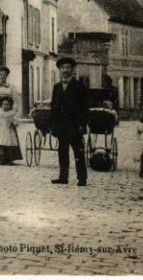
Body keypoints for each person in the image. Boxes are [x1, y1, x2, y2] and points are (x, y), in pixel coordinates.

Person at [50, 57, 89, 187]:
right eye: (63, 68)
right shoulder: (57, 87)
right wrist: (53, 125)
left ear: (72, 70)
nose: (65, 70)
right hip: (61, 125)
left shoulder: (79, 86)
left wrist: (82, 124)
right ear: (59, 70)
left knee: (78, 152)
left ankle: (82, 178)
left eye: (68, 68)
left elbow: (84, 107)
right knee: (62, 151)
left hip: (75, 125)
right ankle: (63, 177)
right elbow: (54, 108)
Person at [0, 97, 22, 165]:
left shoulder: (11, 114)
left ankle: (10, 160)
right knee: (1, 146)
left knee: (9, 146)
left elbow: (14, 120)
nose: (5, 106)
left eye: (7, 105)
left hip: (8, 131)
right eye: (4, 104)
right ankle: (2, 159)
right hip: (1, 130)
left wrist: (15, 123)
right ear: (1, 105)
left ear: (10, 106)